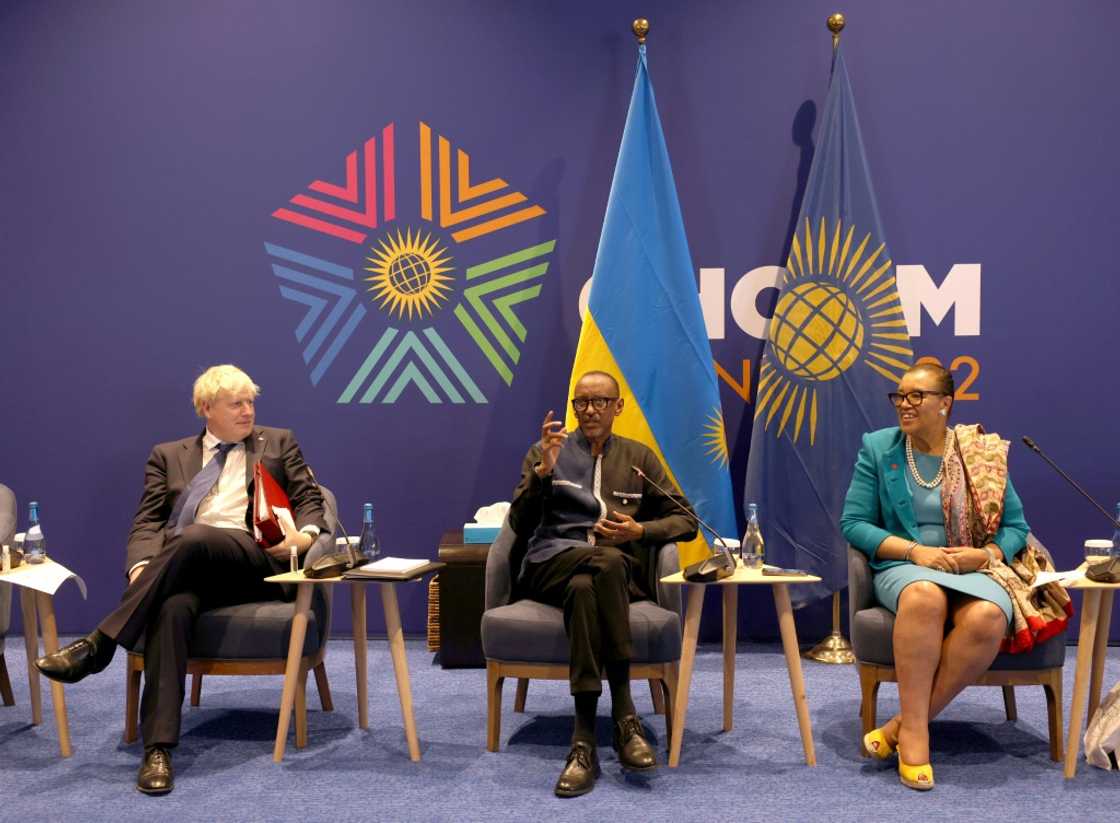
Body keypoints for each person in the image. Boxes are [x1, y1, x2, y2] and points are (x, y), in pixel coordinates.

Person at [36, 365, 327, 795]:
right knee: (171, 607)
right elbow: (148, 522)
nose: (248, 412)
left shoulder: (278, 442)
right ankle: (158, 749)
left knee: (193, 536)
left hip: (256, 562)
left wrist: (302, 538)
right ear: (206, 409)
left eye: (251, 402)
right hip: (186, 567)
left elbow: (311, 500)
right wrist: (141, 567)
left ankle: (100, 643)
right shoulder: (168, 455)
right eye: (236, 404)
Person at [840, 362, 1028, 791]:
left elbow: (1017, 528)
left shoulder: (980, 454)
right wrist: (915, 551)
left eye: (916, 396)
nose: (904, 405)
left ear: (945, 404)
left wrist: (983, 554)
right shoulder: (879, 448)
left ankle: (903, 724)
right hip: (904, 565)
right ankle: (916, 737)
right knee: (924, 595)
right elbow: (853, 524)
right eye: (900, 396)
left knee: (987, 617)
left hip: (970, 567)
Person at [509, 370, 697, 797]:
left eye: (599, 402)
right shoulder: (546, 452)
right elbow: (518, 525)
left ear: (619, 407)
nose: (589, 410)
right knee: (605, 563)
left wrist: (641, 532)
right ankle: (625, 714)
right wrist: (543, 473)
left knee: (590, 583)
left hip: (607, 578)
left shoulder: (639, 458)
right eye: (581, 403)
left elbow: (685, 520)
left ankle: (583, 739)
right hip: (548, 565)